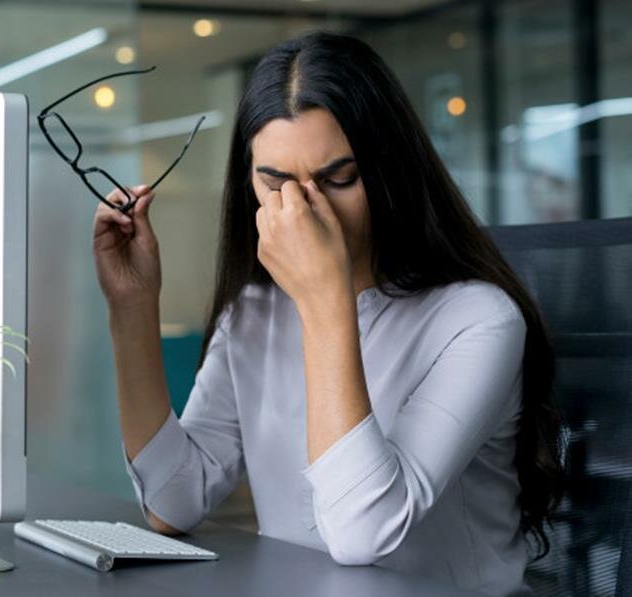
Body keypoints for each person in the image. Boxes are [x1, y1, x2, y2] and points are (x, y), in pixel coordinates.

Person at [91, 31, 563, 597]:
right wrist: (132, 307)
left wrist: (322, 300)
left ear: (389, 172)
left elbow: (363, 534)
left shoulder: (479, 320)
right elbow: (173, 503)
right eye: (276, 183)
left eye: (338, 179)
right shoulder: (254, 312)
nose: (303, 208)